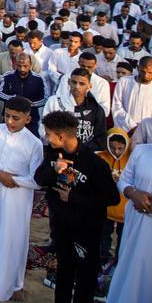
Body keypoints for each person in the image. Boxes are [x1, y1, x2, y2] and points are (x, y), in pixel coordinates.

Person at [35, 110, 119, 303]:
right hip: (61, 226)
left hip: (86, 230)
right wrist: (53, 169)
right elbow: (39, 179)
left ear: (62, 136)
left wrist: (74, 197)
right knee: (64, 270)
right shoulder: (53, 154)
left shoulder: (95, 163)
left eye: (49, 134)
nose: (46, 138)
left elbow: (111, 198)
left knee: (85, 276)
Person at [0, 97, 43, 302]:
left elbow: (36, 181)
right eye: (7, 116)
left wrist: (8, 178)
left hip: (17, 198)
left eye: (16, 118)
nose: (10, 122)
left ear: (28, 119)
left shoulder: (34, 143)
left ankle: (14, 285)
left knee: (14, 238)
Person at [106, 143, 152, 303]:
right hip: (135, 226)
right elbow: (123, 181)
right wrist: (133, 193)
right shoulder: (141, 151)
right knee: (131, 271)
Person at [98, 127, 131, 270]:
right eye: (112, 147)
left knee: (123, 239)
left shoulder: (131, 159)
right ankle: (102, 260)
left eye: (120, 148)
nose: (116, 151)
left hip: (125, 211)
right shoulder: (101, 157)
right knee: (103, 236)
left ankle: (118, 263)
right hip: (106, 208)